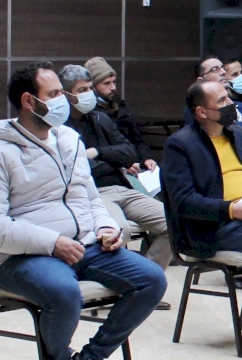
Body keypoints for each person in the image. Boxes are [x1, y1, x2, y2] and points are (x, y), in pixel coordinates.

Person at [0, 63, 167, 360]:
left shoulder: (68, 139)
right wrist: (52, 243)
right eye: (55, 94)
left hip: (81, 244)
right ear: (29, 101)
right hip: (20, 256)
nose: (65, 100)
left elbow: (89, 197)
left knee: (151, 279)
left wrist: (105, 227)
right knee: (63, 292)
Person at [60, 65, 173, 268]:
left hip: (123, 187)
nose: (89, 93)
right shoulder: (61, 127)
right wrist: (115, 161)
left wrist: (97, 152)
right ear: (66, 95)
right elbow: (78, 168)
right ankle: (134, 278)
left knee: (174, 222)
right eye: (82, 90)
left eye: (90, 88)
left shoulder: (100, 118)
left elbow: (130, 153)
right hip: (94, 193)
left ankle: (146, 276)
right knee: (119, 230)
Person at [161, 79, 242, 261]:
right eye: (222, 100)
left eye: (228, 97)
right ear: (202, 112)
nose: (230, 104)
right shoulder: (180, 144)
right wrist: (232, 209)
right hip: (214, 226)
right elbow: (184, 201)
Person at [189, 56, 242, 146]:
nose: (223, 72)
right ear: (201, 81)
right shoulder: (197, 109)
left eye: (223, 68)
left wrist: (234, 124)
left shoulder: (240, 106)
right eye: (215, 69)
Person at [85, 57, 145, 148]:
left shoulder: (120, 104)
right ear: (93, 87)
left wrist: (146, 155)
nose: (113, 87)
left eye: (114, 82)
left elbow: (138, 139)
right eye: (106, 83)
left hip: (131, 153)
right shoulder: (90, 112)